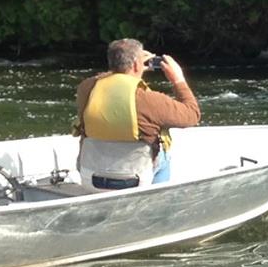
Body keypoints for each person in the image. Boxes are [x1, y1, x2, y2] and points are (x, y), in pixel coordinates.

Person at [73, 38, 200, 188]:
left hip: (91, 175)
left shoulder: (86, 89)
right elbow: (192, 115)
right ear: (136, 64)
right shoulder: (150, 100)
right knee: (164, 156)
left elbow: (104, 78)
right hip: (135, 178)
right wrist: (178, 79)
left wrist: (128, 67)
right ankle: (156, 196)